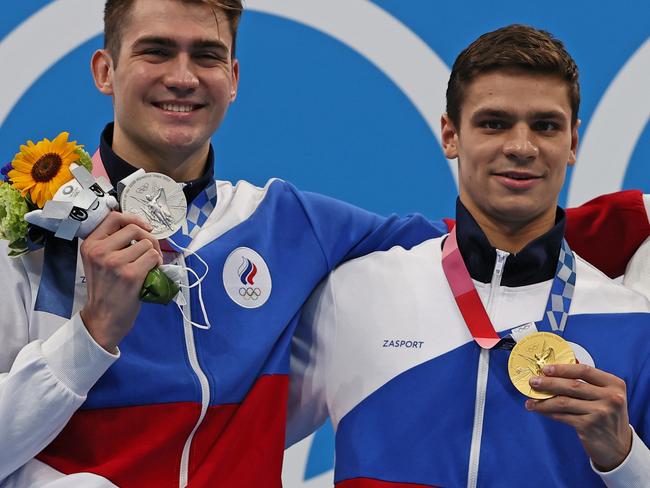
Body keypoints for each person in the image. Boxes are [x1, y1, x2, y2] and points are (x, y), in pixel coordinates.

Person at [0, 3, 647, 486]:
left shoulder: (289, 224)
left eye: (205, 56)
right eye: (156, 51)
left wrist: (619, 228)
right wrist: (91, 335)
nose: (182, 76)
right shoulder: (31, 235)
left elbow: (474, 236)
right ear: (105, 69)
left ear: (233, 76)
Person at [288, 25, 650, 487]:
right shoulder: (356, 294)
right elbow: (220, 438)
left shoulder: (633, 323)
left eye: (545, 125)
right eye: (494, 123)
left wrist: (623, 455)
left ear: (573, 142)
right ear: (450, 134)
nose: (521, 147)